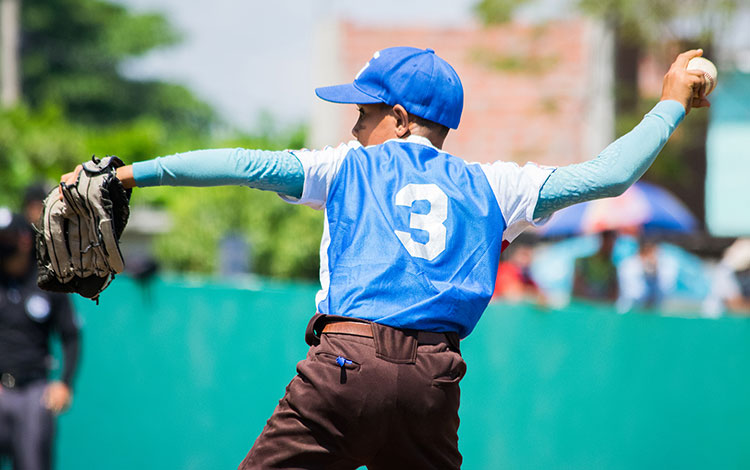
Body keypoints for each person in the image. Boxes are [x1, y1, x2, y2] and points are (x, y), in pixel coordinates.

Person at [61, 46, 709, 468]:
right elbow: (608, 175)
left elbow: (245, 164)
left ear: (398, 118)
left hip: (344, 367)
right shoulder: (496, 185)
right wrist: (672, 102)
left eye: (363, 111)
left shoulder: (349, 168)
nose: (352, 125)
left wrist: (129, 177)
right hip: (432, 381)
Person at [0, 208, 80, 470]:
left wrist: (64, 383)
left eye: (6, 238)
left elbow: (71, 335)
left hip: (34, 392)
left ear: (23, 240)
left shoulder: (46, 281)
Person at [617, 237, 679, 313]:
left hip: (655, 312)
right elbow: (632, 293)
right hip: (631, 311)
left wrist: (655, 273)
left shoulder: (665, 265)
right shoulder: (628, 265)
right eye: (646, 251)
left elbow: (667, 290)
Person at [572, 230, 619, 302]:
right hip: (584, 307)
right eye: (611, 242)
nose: (612, 247)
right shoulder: (583, 261)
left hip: (602, 310)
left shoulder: (613, 267)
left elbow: (614, 295)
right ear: (603, 240)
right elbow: (576, 289)